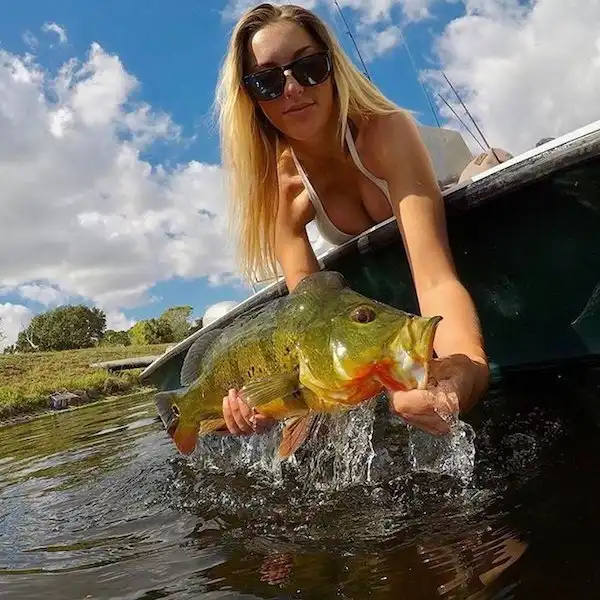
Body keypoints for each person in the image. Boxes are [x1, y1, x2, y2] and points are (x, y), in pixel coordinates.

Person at [214, 2, 490, 437]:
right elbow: (309, 324)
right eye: (267, 81)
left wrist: (466, 370)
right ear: (250, 97)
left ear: (332, 66)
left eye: (308, 67)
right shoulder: (280, 189)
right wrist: (274, 404)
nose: (292, 89)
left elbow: (435, 280)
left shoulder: (386, 132)